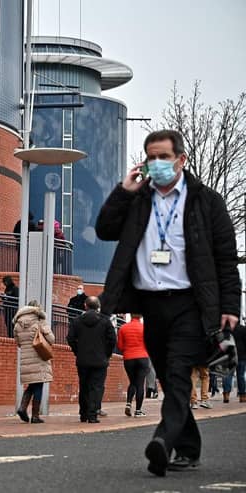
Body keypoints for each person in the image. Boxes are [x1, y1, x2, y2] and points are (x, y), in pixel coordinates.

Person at [95, 129, 240, 476]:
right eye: (151, 157)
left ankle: (163, 440)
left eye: (163, 156)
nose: (156, 163)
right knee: (165, 373)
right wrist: (122, 192)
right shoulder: (138, 199)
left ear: (181, 159)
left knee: (178, 372)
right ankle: (188, 447)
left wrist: (230, 306)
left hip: (190, 303)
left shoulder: (207, 201)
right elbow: (103, 229)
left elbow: (225, 258)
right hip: (149, 304)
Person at [67, 296, 116, 424]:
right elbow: (112, 340)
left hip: (83, 360)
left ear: (85, 306)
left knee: (84, 386)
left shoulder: (77, 321)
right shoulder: (105, 321)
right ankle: (92, 415)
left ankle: (83, 414)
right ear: (98, 307)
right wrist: (106, 354)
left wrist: (77, 351)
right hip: (100, 360)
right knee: (97, 387)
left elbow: (70, 338)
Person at [13, 300, 54, 424]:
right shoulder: (39, 321)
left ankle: (22, 408)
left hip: (25, 357)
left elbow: (18, 342)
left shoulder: (17, 324)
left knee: (32, 384)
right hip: (39, 355)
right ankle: (35, 415)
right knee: (39, 384)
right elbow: (51, 339)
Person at [117, 314, 150, 417]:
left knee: (132, 382)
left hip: (129, 358)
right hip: (142, 357)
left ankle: (128, 403)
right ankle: (138, 411)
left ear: (130, 315)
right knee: (140, 384)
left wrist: (127, 351)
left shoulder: (123, 328)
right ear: (140, 316)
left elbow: (120, 346)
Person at [222, 322, 246, 403]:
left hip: (229, 356)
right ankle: (242, 396)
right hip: (241, 356)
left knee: (227, 375)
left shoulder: (225, 330)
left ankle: (226, 395)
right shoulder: (243, 329)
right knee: (241, 376)